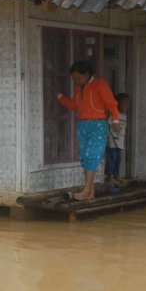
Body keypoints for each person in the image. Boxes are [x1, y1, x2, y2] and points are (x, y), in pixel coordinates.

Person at [56, 60, 122, 201]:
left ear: (87, 74)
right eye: (74, 79)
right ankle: (90, 193)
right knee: (85, 158)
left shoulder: (100, 84)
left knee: (92, 155)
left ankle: (86, 191)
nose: (76, 81)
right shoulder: (78, 88)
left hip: (98, 124)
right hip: (82, 125)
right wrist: (60, 98)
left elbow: (111, 104)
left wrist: (116, 120)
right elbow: (75, 106)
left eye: (78, 78)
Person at [106, 92, 130, 186]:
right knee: (112, 158)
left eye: (127, 104)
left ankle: (116, 176)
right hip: (113, 141)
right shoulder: (114, 114)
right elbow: (110, 124)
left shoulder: (124, 115)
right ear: (117, 103)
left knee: (118, 159)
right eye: (124, 103)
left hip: (120, 141)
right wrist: (114, 137)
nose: (126, 106)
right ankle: (109, 177)